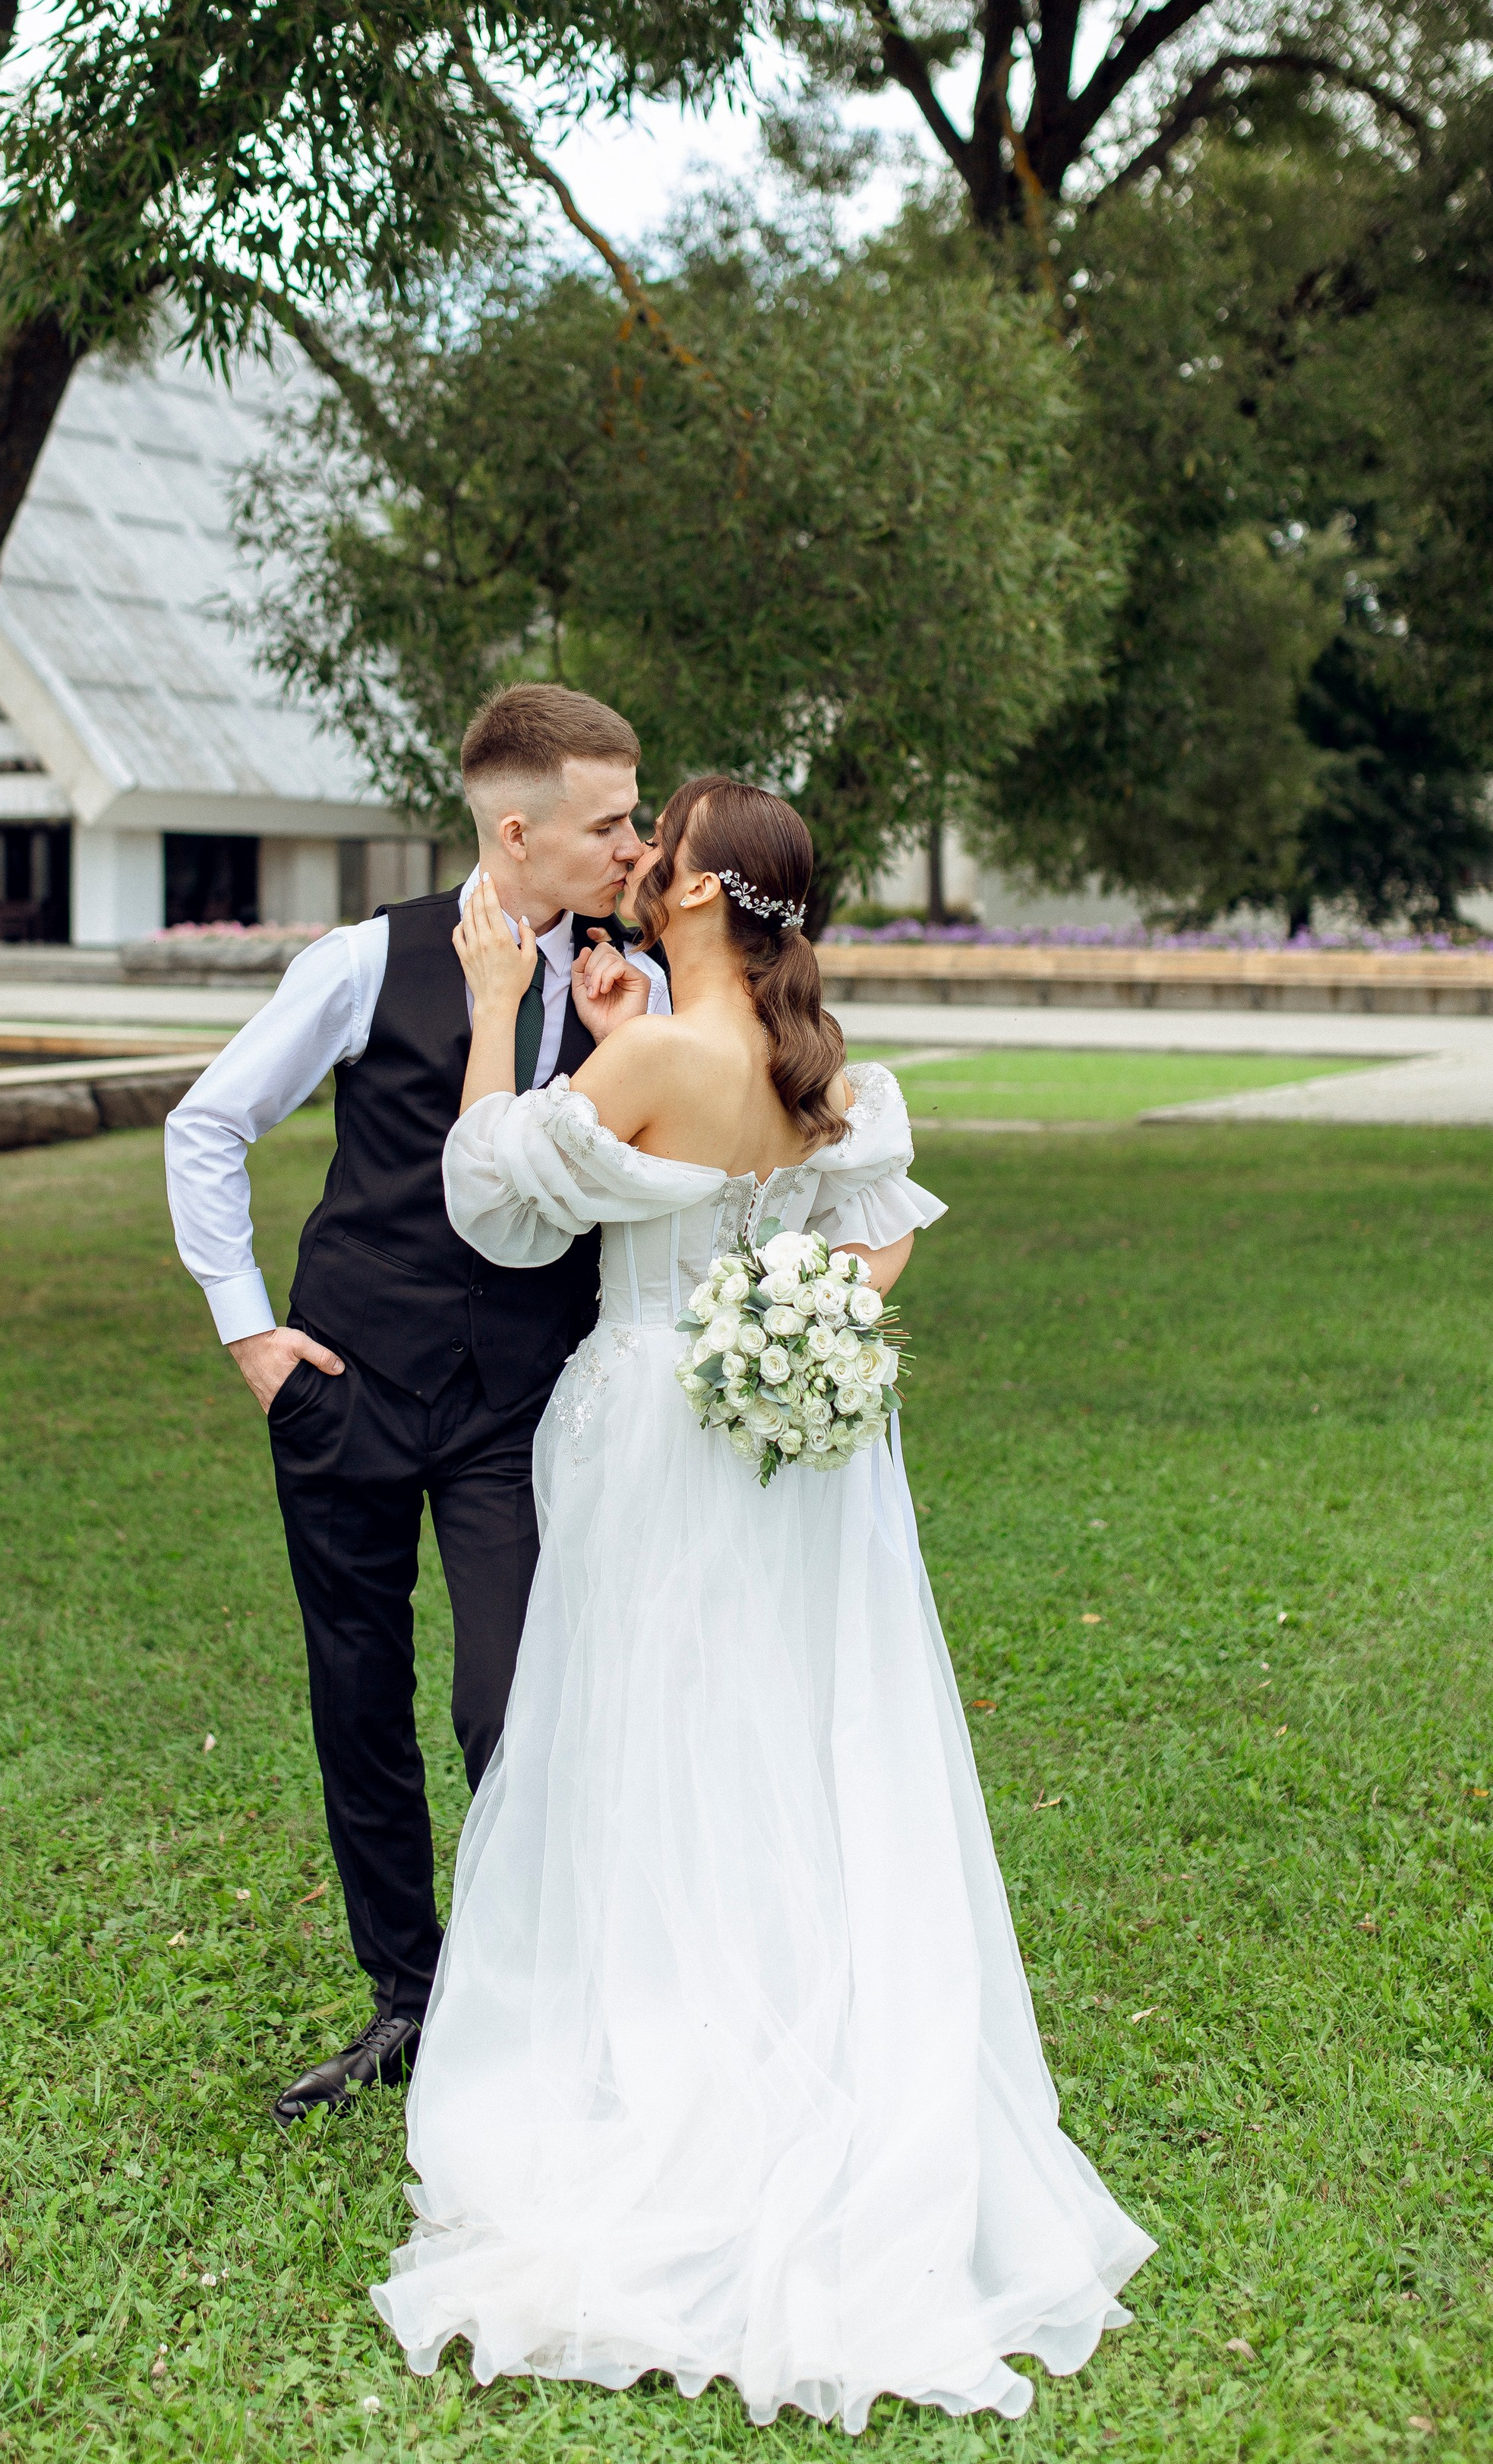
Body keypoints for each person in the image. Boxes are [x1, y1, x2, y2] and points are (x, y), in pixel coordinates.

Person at [370, 775, 1154, 2432]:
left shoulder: (649, 1061)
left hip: (653, 1424)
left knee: (641, 1738)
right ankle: (804, 2023)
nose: (638, 859)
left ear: (709, 894)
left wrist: (509, 1013)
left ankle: (661, 2064)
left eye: (665, 848)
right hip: (789, 1448)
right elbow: (876, 1240)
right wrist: (792, 1315)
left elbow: (491, 1203)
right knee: (790, 1739)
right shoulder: (827, 1072)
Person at [165, 684, 670, 2124]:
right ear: (518, 832)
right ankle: (407, 1998)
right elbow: (207, 1123)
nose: (632, 846)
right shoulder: (361, 960)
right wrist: (251, 1333)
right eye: (608, 823)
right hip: (349, 1387)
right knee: (358, 1701)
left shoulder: (636, 981)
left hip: (524, 1399)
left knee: (508, 1701)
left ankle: (530, 1996)